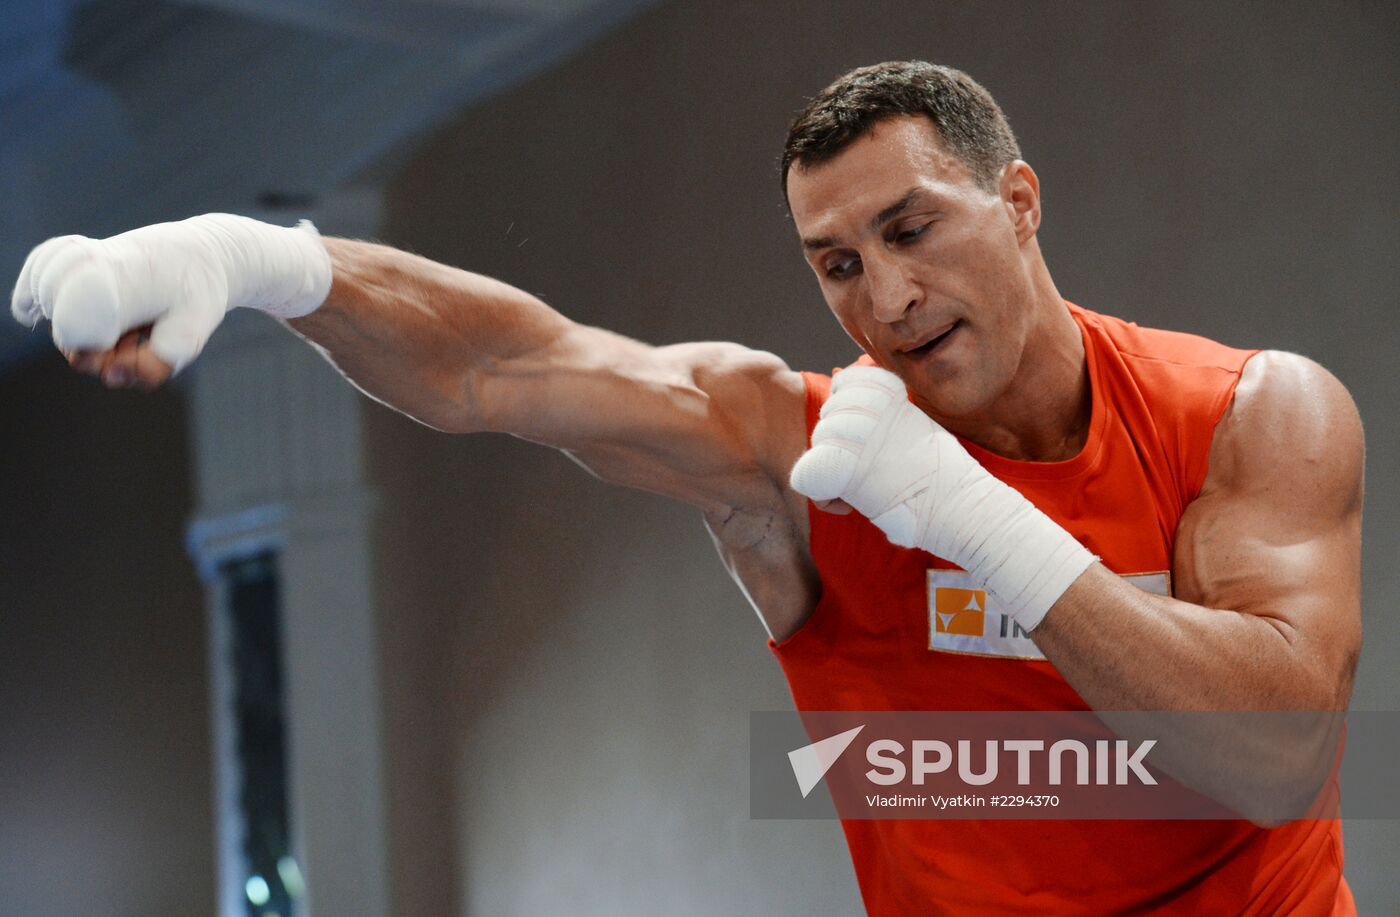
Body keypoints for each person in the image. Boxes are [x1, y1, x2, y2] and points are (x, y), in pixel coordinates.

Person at [10, 61, 1360, 913]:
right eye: (838, 264)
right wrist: (259, 262)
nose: (888, 297)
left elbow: (1277, 755)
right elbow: (509, 366)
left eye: (913, 229)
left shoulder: (1248, 416)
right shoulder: (804, 449)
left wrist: (965, 510)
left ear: (1016, 201)